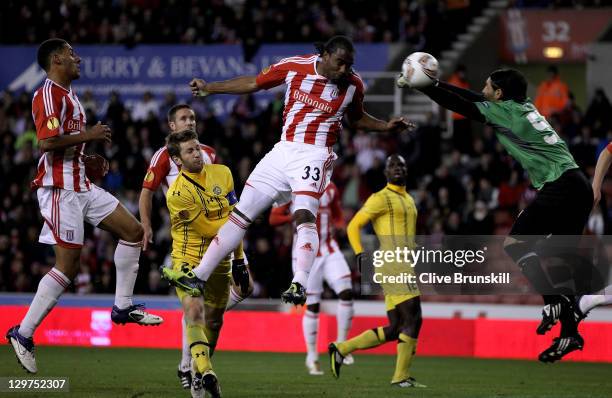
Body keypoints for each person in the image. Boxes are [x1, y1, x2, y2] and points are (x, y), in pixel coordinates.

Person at [163, 35, 412, 305]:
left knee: (303, 214)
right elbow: (254, 83)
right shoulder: (296, 66)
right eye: (340, 63)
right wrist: (211, 88)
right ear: (325, 56)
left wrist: (385, 126)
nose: (344, 70)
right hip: (283, 150)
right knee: (240, 214)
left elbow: (357, 119)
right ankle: (198, 276)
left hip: (316, 154)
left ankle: (299, 283)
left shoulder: (354, 84)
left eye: (349, 65)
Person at [399, 68, 592, 362]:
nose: (483, 87)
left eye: (488, 85)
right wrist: (434, 82)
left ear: (499, 94)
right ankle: (569, 334)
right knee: (561, 264)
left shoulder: (504, 114)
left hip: (560, 185)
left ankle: (553, 303)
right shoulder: (522, 106)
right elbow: (474, 98)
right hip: (578, 186)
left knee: (515, 244)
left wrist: (425, 87)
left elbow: (461, 105)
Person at [6, 38, 162, 374]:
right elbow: (46, 141)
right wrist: (88, 135)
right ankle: (23, 333)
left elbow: (64, 143)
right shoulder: (48, 94)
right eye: (73, 54)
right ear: (57, 59)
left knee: (134, 232)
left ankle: (122, 307)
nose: (79, 58)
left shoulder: (70, 96)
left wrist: (86, 157)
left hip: (81, 184)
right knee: (68, 268)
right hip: (60, 189)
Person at [138, 103, 253, 389]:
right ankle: (188, 364)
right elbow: (146, 193)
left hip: (220, 233)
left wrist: (237, 244)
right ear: (172, 126)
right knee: (194, 306)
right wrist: (147, 225)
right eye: (183, 118)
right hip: (187, 234)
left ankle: (198, 341)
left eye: (192, 117)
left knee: (242, 289)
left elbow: (220, 198)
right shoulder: (163, 157)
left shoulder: (210, 155)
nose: (189, 121)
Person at [328, 155, 425, 388]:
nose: (398, 168)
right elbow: (353, 225)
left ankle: (342, 348)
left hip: (404, 264)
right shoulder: (380, 198)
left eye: (401, 164)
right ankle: (400, 377)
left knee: (395, 328)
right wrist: (361, 254)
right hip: (393, 265)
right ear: (385, 173)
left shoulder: (409, 200)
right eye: (393, 165)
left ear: (407, 170)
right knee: (414, 319)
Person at [161, 129, 243, 398]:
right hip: (188, 260)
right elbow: (212, 228)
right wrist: (244, 219)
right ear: (177, 160)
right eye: (190, 151)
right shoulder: (177, 194)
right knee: (194, 312)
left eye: (197, 148)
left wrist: (240, 259)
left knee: (215, 322)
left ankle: (198, 369)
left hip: (220, 260)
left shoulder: (224, 173)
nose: (198, 154)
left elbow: (234, 224)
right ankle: (205, 372)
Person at [269, 182, 354, 375]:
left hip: (329, 248)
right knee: (313, 306)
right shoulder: (293, 188)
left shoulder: (331, 187)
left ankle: (341, 346)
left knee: (347, 292)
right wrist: (294, 216)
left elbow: (337, 213)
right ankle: (312, 356)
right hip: (306, 253)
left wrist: (341, 224)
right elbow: (273, 218)